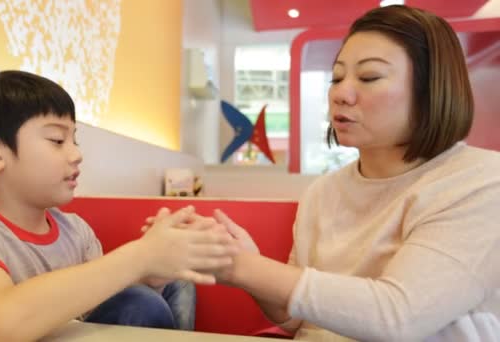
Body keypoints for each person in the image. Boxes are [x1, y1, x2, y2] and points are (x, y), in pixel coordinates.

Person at [152, 5, 500, 341]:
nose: (341, 93)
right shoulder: (325, 191)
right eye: (336, 77)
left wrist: (241, 266)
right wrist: (249, 265)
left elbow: (399, 315)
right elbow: (295, 318)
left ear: (433, 89)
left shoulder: (480, 180)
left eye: (369, 77)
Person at [0, 70, 236, 341]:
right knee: (140, 303)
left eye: (75, 140)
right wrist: (140, 257)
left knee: (175, 280)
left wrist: (152, 269)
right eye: (57, 141)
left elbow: (99, 306)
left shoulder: (75, 229)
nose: (76, 155)